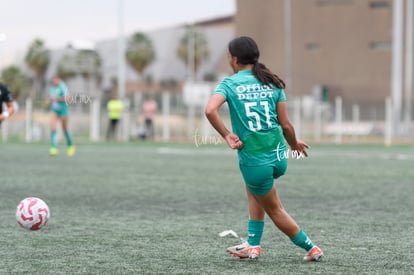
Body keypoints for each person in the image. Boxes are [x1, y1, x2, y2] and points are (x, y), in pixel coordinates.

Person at [205, 36, 323, 261]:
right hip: (279, 155)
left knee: (275, 209)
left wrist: (227, 135)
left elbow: (210, 110)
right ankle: (253, 245)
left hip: (256, 160)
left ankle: (311, 247)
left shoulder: (229, 84)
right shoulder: (271, 81)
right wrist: (294, 144)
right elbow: (286, 124)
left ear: (234, 58)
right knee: (254, 191)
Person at [47, 75, 75, 156]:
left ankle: (70, 145)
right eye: (53, 80)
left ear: (58, 79)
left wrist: (56, 98)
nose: (54, 81)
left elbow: (68, 99)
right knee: (52, 127)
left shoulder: (63, 86)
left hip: (64, 111)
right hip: (54, 110)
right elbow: (51, 98)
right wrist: (49, 100)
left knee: (64, 129)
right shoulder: (52, 87)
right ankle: (54, 148)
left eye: (55, 80)